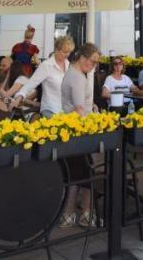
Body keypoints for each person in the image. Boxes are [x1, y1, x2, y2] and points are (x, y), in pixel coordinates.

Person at [60, 43, 101, 228]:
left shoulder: (73, 73)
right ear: (83, 58)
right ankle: (86, 212)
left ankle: (69, 214)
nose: (94, 66)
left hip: (74, 131)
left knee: (77, 172)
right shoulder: (77, 77)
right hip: (81, 131)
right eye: (93, 62)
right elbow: (78, 109)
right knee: (91, 169)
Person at [6, 36, 73, 118]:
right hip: (51, 110)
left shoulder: (69, 65)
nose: (67, 55)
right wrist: (19, 96)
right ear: (56, 49)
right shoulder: (46, 65)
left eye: (69, 52)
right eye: (65, 52)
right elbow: (31, 83)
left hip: (67, 111)